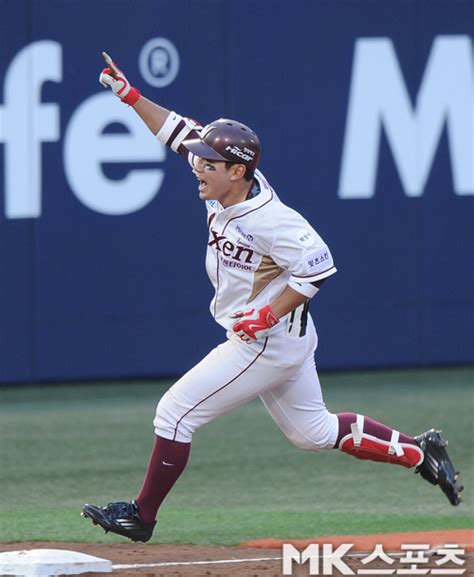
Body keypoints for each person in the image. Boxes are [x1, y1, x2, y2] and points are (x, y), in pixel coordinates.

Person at [82, 52, 463, 543]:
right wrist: (130, 96)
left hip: (264, 342)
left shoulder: (269, 219)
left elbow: (320, 265)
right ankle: (420, 452)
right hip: (286, 340)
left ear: (237, 172)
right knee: (314, 433)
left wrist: (265, 314)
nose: (198, 166)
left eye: (210, 163)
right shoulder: (228, 184)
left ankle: (142, 516)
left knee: (174, 413)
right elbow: (175, 131)